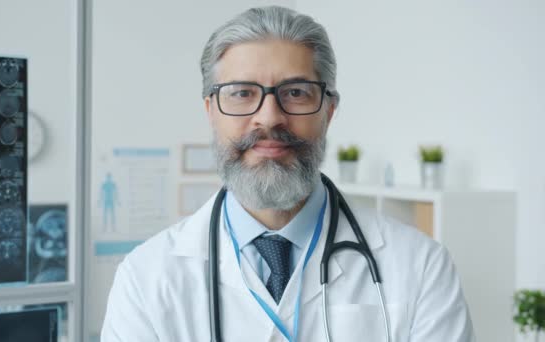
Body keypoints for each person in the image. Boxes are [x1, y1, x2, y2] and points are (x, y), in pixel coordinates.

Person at [101, 6, 475, 341]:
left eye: (295, 92)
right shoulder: (145, 279)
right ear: (210, 110)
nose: (269, 117)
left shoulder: (420, 267)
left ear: (328, 111)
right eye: (242, 93)